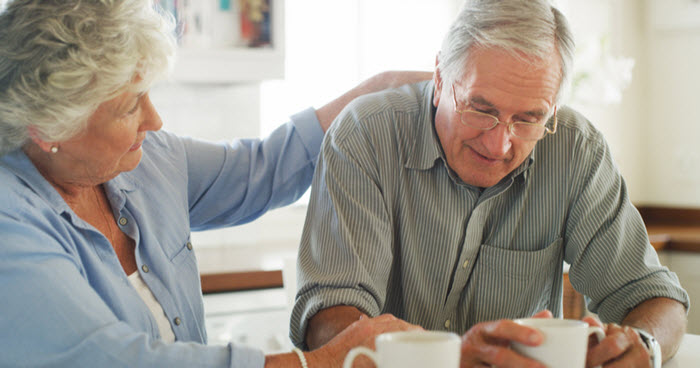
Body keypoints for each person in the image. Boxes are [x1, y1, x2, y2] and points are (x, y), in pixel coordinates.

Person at [0, 0, 430, 367]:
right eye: (131, 107)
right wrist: (318, 362)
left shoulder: (146, 161)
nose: (154, 120)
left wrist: (378, 90)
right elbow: (115, 358)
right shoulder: (11, 222)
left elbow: (262, 169)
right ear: (49, 128)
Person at [290, 0, 690, 367]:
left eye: (529, 118)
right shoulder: (365, 135)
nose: (499, 144)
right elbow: (330, 321)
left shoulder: (575, 149)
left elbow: (654, 298)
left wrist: (644, 345)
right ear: (441, 79)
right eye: (481, 110)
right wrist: (446, 360)